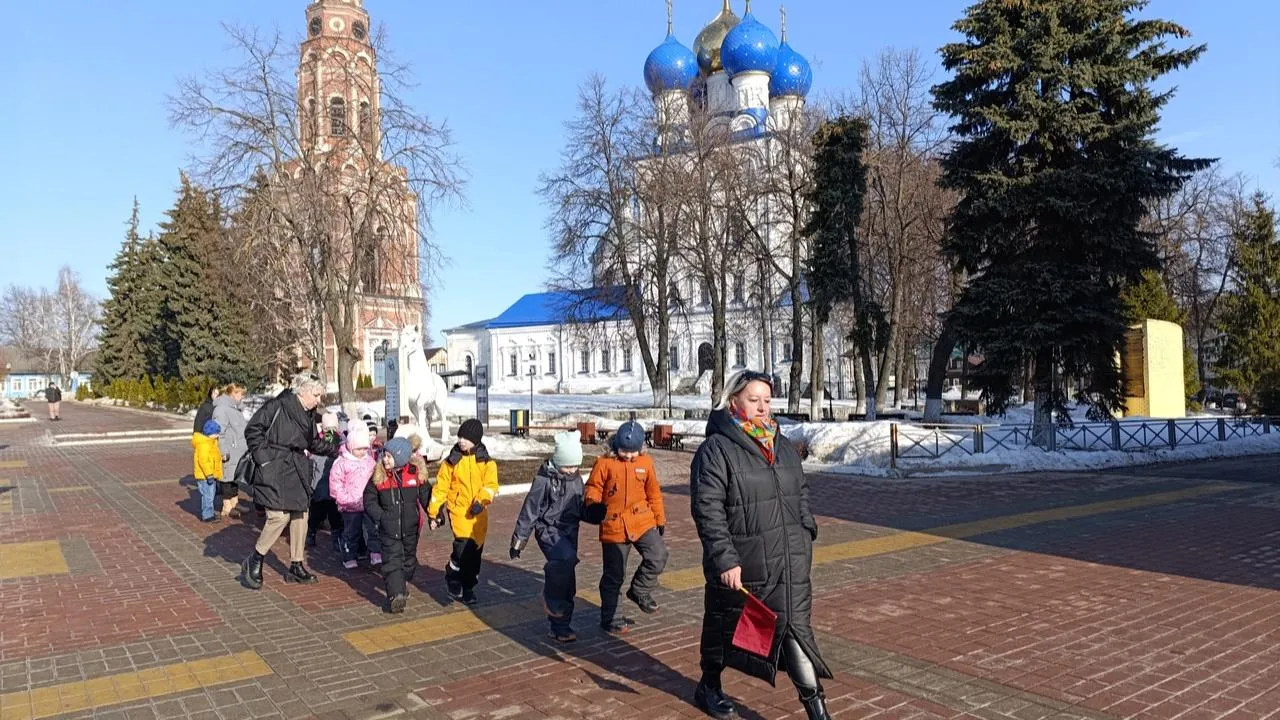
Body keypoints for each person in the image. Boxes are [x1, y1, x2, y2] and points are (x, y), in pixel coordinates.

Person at [689, 370, 832, 720]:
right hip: (744, 561)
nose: (763, 407)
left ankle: (818, 711)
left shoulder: (781, 444)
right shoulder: (716, 449)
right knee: (726, 625)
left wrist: (806, 527)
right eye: (754, 400)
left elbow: (800, 490)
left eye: (767, 400)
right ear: (733, 400)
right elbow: (707, 509)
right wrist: (725, 559)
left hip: (790, 558)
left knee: (795, 629)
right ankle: (709, 684)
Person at [240, 373, 340, 590]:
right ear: (302, 391)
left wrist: (335, 450)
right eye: (316, 395)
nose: (318, 400)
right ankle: (255, 558)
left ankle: (296, 564)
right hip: (275, 467)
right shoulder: (277, 406)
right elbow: (253, 430)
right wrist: (264, 459)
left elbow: (312, 441)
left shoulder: (309, 413)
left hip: (297, 468)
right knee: (278, 516)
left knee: (300, 515)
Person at [583, 420, 668, 635]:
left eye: (633, 452)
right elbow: (593, 487)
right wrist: (592, 505)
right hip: (614, 524)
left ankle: (639, 590)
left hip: (642, 521)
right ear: (615, 446)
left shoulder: (646, 463)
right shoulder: (604, 463)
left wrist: (660, 519)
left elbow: (654, 493)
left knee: (658, 555)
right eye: (624, 451)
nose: (629, 455)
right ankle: (611, 617)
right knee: (614, 574)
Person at [510, 430, 586, 643]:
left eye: (575, 466)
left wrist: (596, 512)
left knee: (568, 578)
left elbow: (582, 507)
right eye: (567, 466)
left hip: (570, 532)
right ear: (558, 460)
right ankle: (548, 597)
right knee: (564, 560)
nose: (571, 471)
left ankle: (561, 626)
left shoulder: (576, 479)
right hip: (548, 530)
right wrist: (519, 540)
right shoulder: (544, 480)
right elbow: (530, 510)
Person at [427, 419, 498, 605]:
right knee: (462, 546)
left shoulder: (487, 462)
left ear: (476, 439)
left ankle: (469, 588)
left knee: (474, 554)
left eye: (466, 438)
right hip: (458, 510)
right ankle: (452, 576)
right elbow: (441, 488)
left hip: (478, 514)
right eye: (460, 437)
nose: (461, 441)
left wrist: (482, 501)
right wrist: (434, 512)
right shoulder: (451, 461)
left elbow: (491, 485)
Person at [363, 437, 430, 613]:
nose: (385, 459)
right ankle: (396, 595)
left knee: (408, 562)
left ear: (401, 458)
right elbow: (369, 500)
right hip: (388, 530)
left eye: (390, 456)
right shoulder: (379, 477)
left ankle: (401, 584)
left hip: (411, 529)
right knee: (392, 562)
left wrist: (435, 515)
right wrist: (380, 517)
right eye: (384, 454)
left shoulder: (415, 474)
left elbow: (426, 497)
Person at [329, 423, 381, 569]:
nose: (362, 452)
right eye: (359, 449)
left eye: (365, 448)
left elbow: (376, 478)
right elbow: (335, 484)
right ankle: (349, 556)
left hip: (367, 503)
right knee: (351, 532)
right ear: (351, 447)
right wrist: (344, 498)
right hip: (350, 505)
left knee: (373, 529)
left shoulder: (369, 461)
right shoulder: (342, 462)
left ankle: (375, 553)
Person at [307, 412, 345, 550]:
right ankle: (311, 531)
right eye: (327, 429)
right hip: (320, 484)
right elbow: (311, 457)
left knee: (335, 515)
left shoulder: (340, 440)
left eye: (333, 428)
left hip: (334, 486)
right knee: (317, 513)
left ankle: (337, 538)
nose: (331, 432)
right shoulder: (318, 442)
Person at [212, 383, 247, 519]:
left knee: (234, 478)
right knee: (226, 478)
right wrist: (223, 450)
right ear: (233, 394)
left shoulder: (235, 409)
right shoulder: (222, 410)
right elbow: (219, 432)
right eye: (240, 394)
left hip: (237, 450)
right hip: (229, 450)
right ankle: (227, 506)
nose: (242, 397)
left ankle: (234, 502)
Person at [193, 419, 223, 523]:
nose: (217, 436)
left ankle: (209, 511)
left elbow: (213, 457)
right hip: (205, 476)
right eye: (216, 433)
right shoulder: (204, 444)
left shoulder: (211, 443)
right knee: (208, 495)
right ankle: (207, 515)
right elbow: (203, 461)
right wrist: (209, 474)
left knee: (211, 494)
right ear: (209, 433)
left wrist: (221, 458)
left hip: (210, 475)